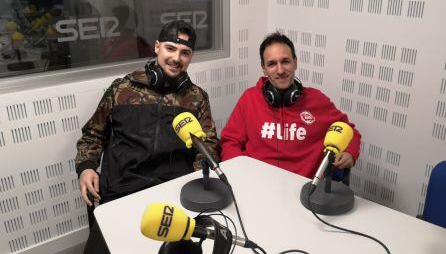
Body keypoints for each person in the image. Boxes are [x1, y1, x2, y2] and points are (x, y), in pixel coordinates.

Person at [75, 20, 219, 254]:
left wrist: (198, 180)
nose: (176, 58)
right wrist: (87, 166)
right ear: (157, 47)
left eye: (185, 53)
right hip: (121, 191)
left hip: (172, 193)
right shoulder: (121, 89)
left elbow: (207, 145)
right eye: (170, 49)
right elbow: (93, 134)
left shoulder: (197, 98)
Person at [220, 32, 361, 179]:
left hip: (303, 189)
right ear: (264, 68)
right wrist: (241, 172)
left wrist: (349, 152)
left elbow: (349, 131)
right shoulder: (249, 99)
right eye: (272, 64)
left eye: (285, 61)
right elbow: (230, 141)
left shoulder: (317, 100)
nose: (280, 70)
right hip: (257, 184)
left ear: (295, 62)